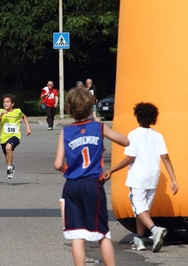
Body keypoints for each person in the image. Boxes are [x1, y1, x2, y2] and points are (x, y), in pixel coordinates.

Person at [54, 87, 129, 266]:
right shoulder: (99, 127)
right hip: (92, 184)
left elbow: (57, 164)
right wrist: (100, 125)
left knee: (77, 234)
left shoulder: (65, 132)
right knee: (102, 233)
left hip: (72, 185)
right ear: (91, 107)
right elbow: (125, 141)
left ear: (70, 109)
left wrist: (69, 169)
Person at [104, 102, 178, 253]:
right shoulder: (158, 136)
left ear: (137, 116)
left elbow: (130, 158)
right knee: (143, 210)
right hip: (153, 177)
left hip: (139, 177)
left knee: (139, 208)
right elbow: (165, 157)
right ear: (153, 118)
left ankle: (155, 230)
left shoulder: (133, 134)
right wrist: (173, 179)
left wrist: (112, 170)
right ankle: (139, 239)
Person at [0, 93, 31, 179]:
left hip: (15, 136)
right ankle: (11, 165)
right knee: (7, 155)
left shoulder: (17, 111)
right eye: (4, 102)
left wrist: (28, 127)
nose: (5, 104)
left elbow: (24, 116)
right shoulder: (0, 111)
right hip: (3, 138)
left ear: (12, 104)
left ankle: (9, 168)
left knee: (8, 147)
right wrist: (0, 115)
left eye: (7, 102)